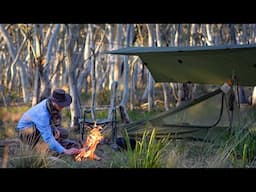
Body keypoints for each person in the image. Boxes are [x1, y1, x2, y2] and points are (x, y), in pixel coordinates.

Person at [16, 88, 81, 156]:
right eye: (61, 104)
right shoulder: (42, 114)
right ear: (54, 102)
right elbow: (48, 138)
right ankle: (41, 149)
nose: (63, 106)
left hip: (37, 127)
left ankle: (56, 146)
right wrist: (65, 151)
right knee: (50, 137)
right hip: (25, 133)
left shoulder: (48, 103)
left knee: (63, 132)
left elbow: (49, 120)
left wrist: (54, 128)